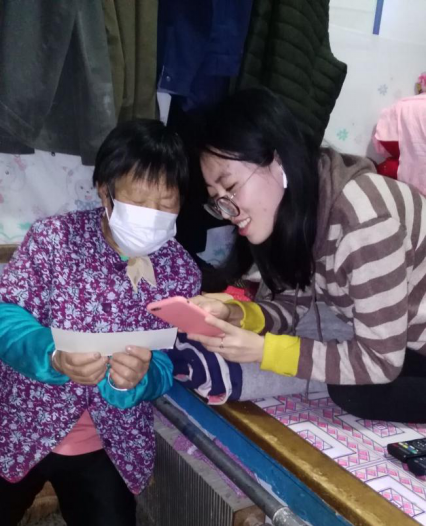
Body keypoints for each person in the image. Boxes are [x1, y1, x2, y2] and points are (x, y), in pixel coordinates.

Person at [0, 120, 201, 526]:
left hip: (110, 445)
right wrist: (52, 356)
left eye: (166, 204)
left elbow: (169, 359)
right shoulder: (53, 240)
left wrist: (140, 378)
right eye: (139, 202)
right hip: (21, 427)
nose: (153, 216)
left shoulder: (180, 270)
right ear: (104, 190)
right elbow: (6, 316)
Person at [188, 88, 426, 424]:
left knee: (355, 387)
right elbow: (291, 304)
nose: (227, 211)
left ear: (278, 161)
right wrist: (237, 314)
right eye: (216, 199)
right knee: (345, 376)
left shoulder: (364, 220)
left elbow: (380, 362)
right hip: (408, 342)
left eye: (231, 188)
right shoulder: (299, 210)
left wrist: (264, 351)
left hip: (408, 346)